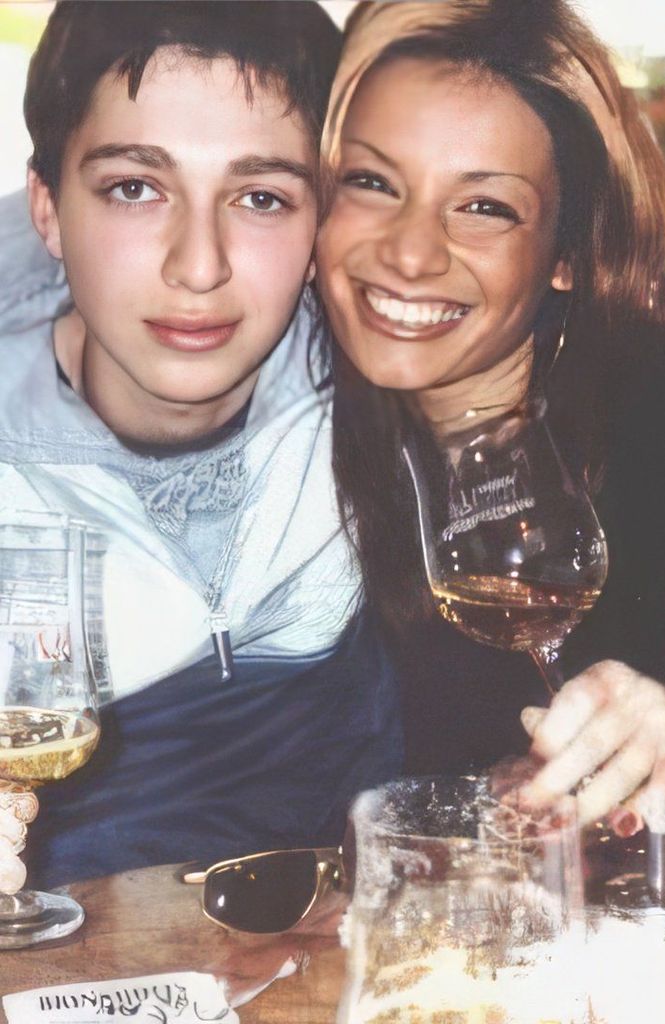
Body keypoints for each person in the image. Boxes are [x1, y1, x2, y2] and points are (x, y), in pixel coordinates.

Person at [316, 0, 665, 840]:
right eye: (372, 183)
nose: (409, 252)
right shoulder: (298, 434)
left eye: (485, 206)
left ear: (566, 253)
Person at [0, 1, 402, 890]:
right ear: (48, 209)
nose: (199, 265)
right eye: (134, 188)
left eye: (261, 198)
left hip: (345, 936)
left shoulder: (381, 378)